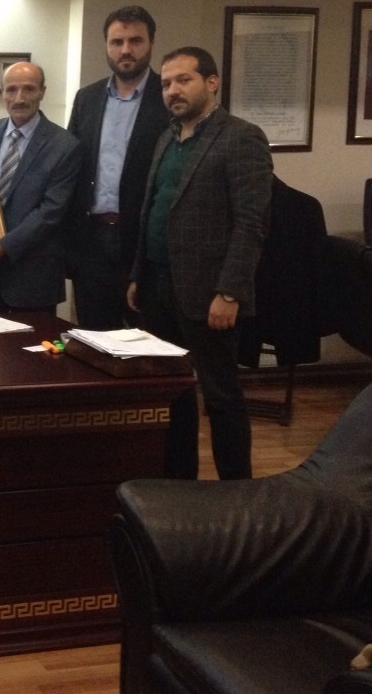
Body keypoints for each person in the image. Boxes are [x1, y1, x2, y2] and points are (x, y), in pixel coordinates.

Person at [127, 46, 272, 481]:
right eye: (166, 83)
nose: (173, 90)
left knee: (221, 396)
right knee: (172, 392)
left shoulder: (241, 137)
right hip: (158, 286)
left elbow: (251, 223)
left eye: (183, 80)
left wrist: (230, 291)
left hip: (209, 293)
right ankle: (179, 482)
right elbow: (153, 210)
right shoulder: (167, 137)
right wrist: (138, 275)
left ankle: (236, 492)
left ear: (212, 82)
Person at [67, 5, 169, 330]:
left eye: (135, 40)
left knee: (149, 343)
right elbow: (72, 169)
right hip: (92, 241)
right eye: (117, 42)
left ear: (151, 43)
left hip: (143, 243)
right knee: (94, 340)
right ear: (107, 45)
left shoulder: (168, 97)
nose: (126, 50)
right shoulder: (87, 98)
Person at [0, 62, 81, 314]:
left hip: (32, 278)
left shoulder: (65, 146)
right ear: (2, 92)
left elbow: (49, 213)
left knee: (31, 341)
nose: (19, 98)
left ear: (42, 92)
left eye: (28, 89)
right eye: (11, 89)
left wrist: (1, 248)